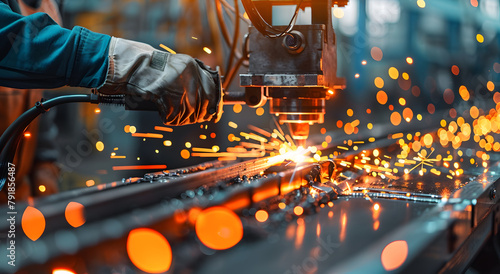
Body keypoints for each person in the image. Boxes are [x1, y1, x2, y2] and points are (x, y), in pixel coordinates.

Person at [0, 0, 223, 200]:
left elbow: (35, 96)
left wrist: (44, 167)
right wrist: (131, 64)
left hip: (13, 194)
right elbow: (13, 39)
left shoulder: (47, 3)